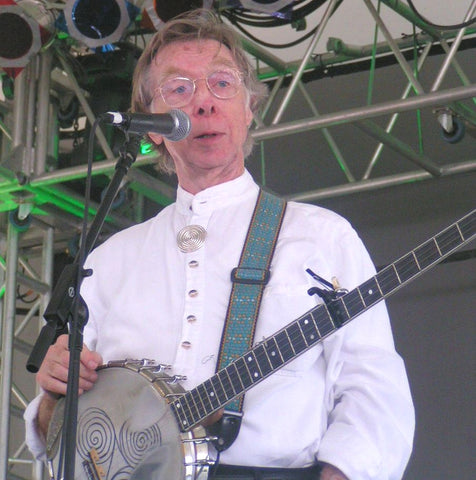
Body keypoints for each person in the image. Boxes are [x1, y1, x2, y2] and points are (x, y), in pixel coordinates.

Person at [24, 9, 415, 480]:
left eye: (222, 84)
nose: (204, 103)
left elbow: (373, 385)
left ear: (249, 108)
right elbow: (59, 441)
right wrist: (53, 395)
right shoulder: (106, 262)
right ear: (152, 127)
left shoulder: (320, 236)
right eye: (180, 89)